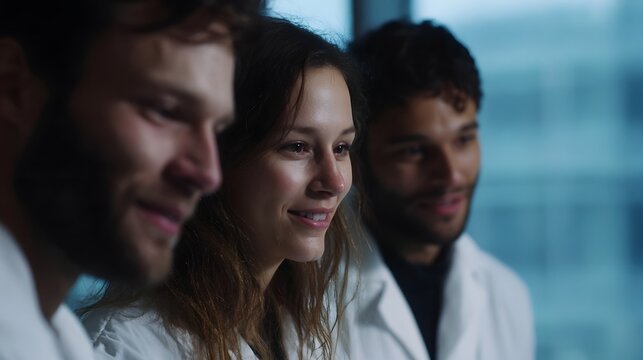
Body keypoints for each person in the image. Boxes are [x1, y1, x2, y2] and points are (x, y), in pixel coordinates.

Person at [81, 16, 365, 360]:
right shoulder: (123, 347)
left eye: (341, 148)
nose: (334, 182)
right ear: (218, 156)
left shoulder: (300, 323)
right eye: (297, 147)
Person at [0, 1, 260, 359]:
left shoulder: (58, 337)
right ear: (12, 86)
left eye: (216, 130)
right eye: (165, 111)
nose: (208, 174)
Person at [339, 19, 535, 360]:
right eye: (414, 151)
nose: (450, 175)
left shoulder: (507, 295)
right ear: (355, 157)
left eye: (464, 139)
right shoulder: (305, 297)